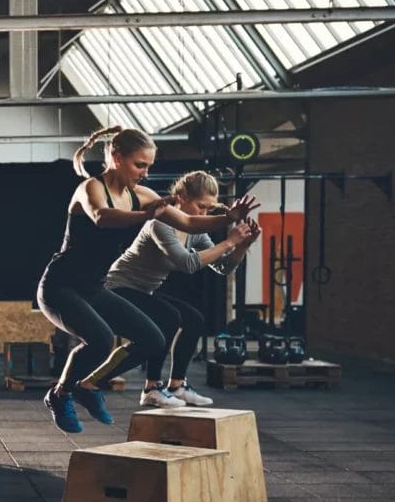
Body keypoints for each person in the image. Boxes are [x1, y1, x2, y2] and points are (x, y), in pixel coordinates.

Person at [37, 125, 258, 433]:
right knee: (100, 340)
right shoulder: (90, 188)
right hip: (59, 286)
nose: (145, 173)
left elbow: (189, 221)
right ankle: (60, 395)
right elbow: (101, 217)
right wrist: (146, 215)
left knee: (152, 339)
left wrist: (228, 219)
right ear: (117, 158)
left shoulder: (141, 195)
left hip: (94, 288)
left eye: (149, 166)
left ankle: (88, 388)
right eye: (139, 165)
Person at [106, 170, 260, 408]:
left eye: (209, 208)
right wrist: (229, 241)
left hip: (143, 292)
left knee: (194, 320)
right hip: (117, 289)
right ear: (182, 197)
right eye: (201, 206)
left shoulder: (195, 232)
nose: (204, 214)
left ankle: (177, 386)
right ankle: (151, 388)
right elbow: (187, 264)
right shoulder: (160, 223)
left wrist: (241, 247)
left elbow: (222, 267)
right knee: (168, 317)